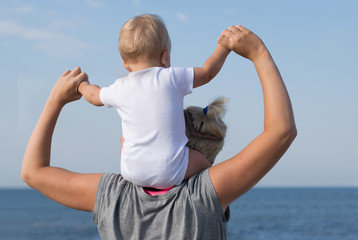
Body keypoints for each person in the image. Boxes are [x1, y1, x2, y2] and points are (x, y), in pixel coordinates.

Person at [21, 25, 297, 239]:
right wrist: (259, 54)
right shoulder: (206, 196)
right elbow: (281, 132)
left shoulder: (112, 197)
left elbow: (33, 172)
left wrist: (55, 101)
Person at [76, 14, 230, 188]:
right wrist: (224, 46)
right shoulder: (171, 77)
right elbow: (208, 72)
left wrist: (81, 84)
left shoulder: (120, 87)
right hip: (170, 172)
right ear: (165, 57)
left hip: (131, 172)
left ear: (125, 64)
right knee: (203, 161)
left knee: (124, 139)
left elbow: (93, 96)